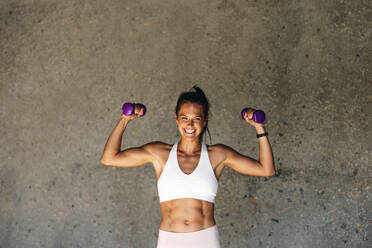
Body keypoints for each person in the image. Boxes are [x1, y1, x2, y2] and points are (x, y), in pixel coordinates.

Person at [100, 86, 275, 248]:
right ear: (176, 119)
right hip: (170, 239)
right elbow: (110, 158)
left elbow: (266, 169)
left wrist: (259, 127)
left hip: (205, 239)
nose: (189, 125)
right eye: (184, 118)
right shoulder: (159, 153)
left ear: (205, 121)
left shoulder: (218, 155)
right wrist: (125, 119)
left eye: (196, 119)